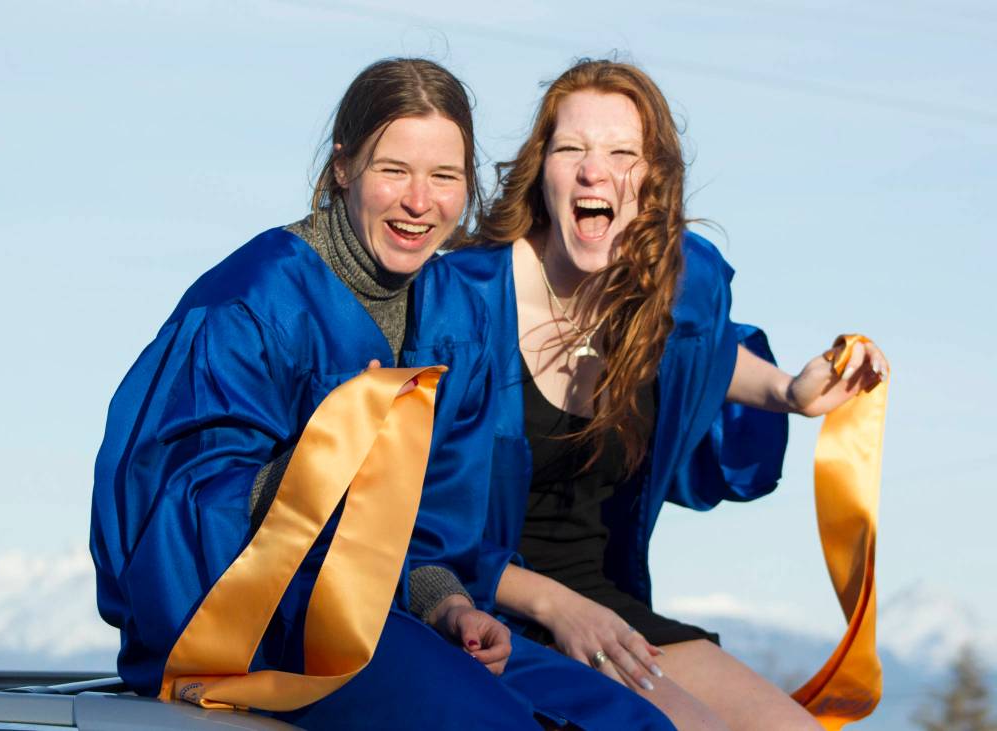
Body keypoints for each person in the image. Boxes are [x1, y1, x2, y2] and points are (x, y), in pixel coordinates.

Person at [90, 58, 675, 730]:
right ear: (344, 167)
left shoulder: (457, 316)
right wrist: (321, 464)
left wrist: (449, 606)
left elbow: (430, 534)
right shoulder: (253, 306)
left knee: (634, 724)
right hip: (254, 621)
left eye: (444, 177)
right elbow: (171, 511)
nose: (419, 202)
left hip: (387, 616)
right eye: (394, 170)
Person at [442, 59, 888, 731]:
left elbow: (697, 350)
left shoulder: (664, 286)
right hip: (484, 601)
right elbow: (414, 522)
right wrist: (556, 606)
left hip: (607, 606)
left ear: (652, 183)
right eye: (573, 149)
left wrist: (789, 391)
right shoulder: (465, 300)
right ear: (543, 170)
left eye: (623, 153)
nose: (596, 170)